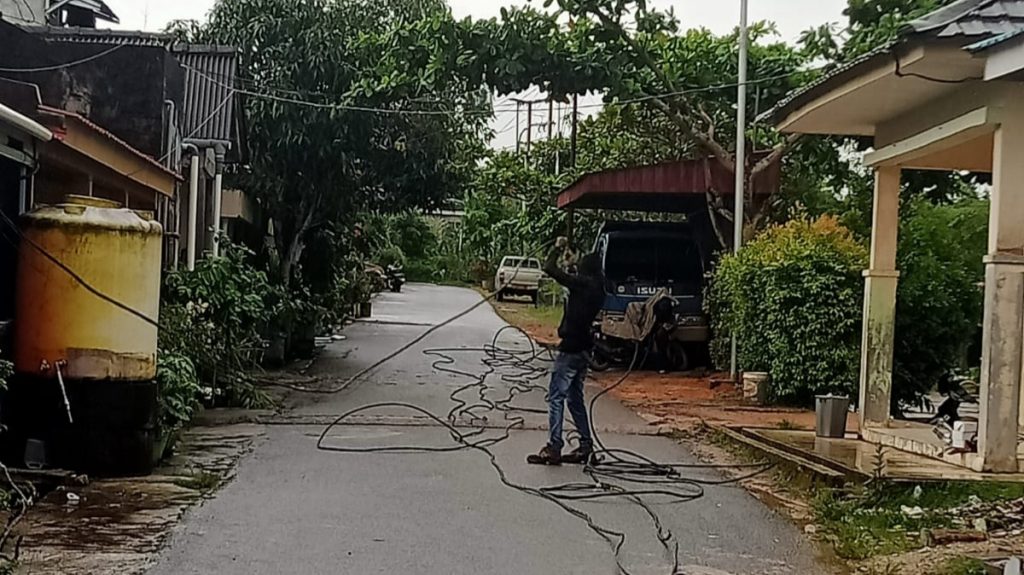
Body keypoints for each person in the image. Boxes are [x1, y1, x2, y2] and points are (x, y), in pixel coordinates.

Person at [527, 236, 606, 466]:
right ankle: (585, 446)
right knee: (574, 398)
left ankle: (554, 446)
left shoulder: (581, 284)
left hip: (570, 349)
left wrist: (557, 248)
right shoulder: (598, 288)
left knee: (556, 396)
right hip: (584, 350)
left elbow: (549, 268)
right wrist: (571, 265)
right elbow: (575, 280)